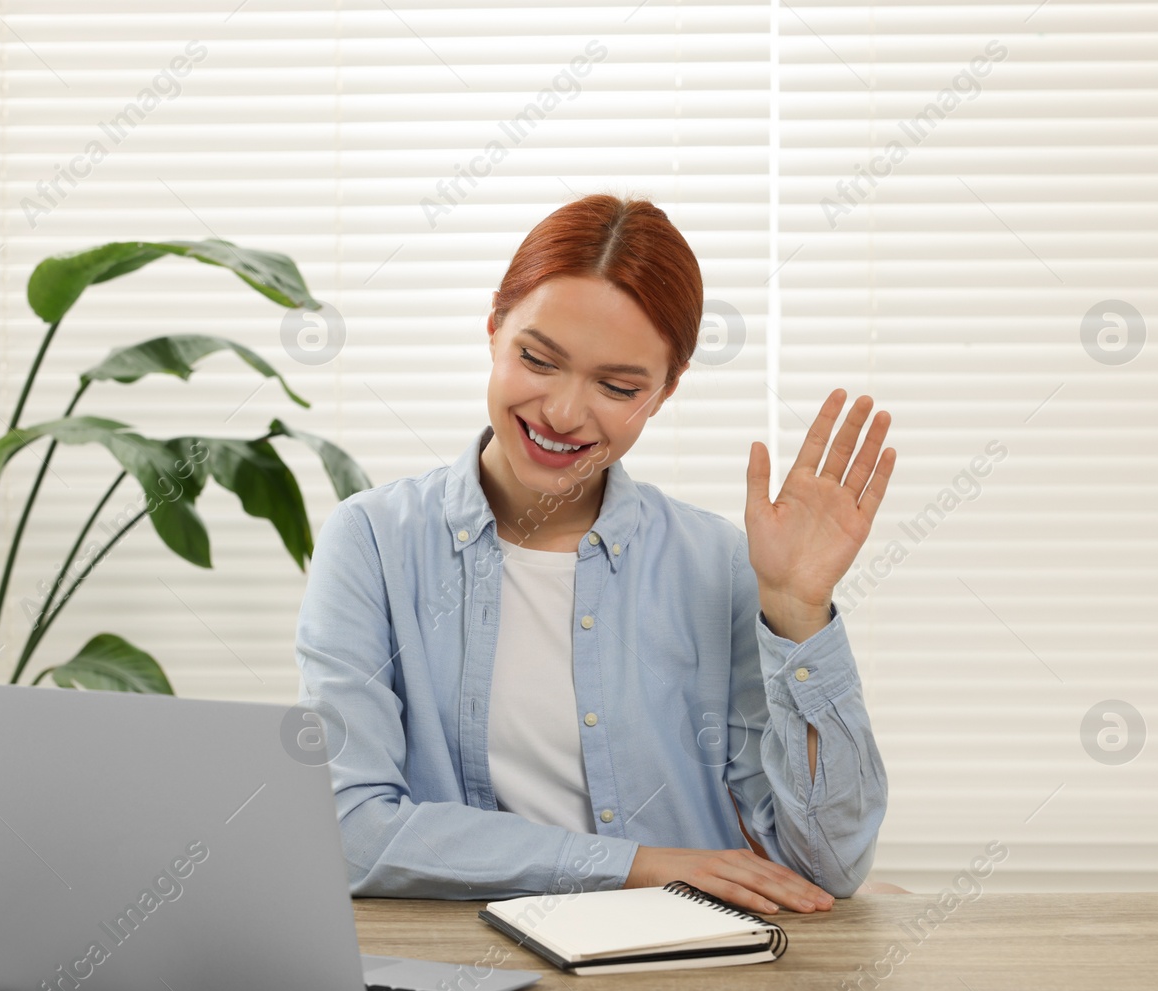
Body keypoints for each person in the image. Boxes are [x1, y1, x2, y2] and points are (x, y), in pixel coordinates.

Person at [294, 193, 895, 915]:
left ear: (664, 393)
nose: (564, 413)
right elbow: (350, 831)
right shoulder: (373, 543)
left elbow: (830, 865)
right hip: (468, 976)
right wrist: (632, 865)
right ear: (493, 328)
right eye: (538, 359)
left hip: (689, 984)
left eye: (617, 386)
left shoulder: (721, 566)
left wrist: (798, 613)